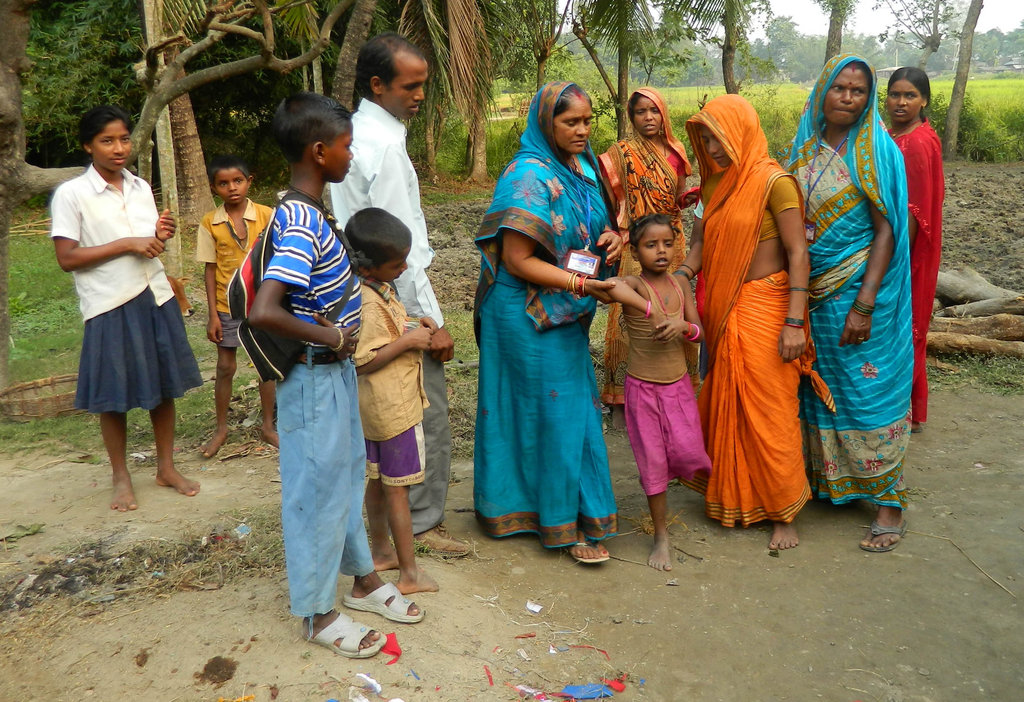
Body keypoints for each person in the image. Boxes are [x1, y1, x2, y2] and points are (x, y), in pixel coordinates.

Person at [248, 92, 423, 659]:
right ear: (320, 151)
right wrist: (332, 336)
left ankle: (362, 579)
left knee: (346, 480)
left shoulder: (313, 210)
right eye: (346, 146)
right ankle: (318, 612)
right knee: (316, 493)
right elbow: (265, 308)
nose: (352, 155)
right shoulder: (301, 221)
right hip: (316, 377)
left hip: (336, 375)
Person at [473, 81, 625, 564]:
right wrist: (580, 286)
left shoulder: (583, 166)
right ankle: (556, 522)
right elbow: (516, 259)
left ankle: (571, 510)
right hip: (522, 310)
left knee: (570, 408)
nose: (582, 130)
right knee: (547, 411)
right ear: (546, 122)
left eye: (587, 120)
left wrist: (614, 238)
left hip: (566, 303)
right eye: (570, 122)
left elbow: (593, 224)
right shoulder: (525, 175)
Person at [331, 32, 468, 558]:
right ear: (377, 84)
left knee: (379, 424)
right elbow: (401, 253)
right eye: (410, 86)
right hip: (396, 306)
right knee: (421, 416)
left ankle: (390, 529)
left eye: (423, 85)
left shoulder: (354, 136)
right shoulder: (384, 147)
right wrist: (430, 324)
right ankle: (424, 522)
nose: (419, 96)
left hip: (360, 298)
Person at [681, 94, 826, 550]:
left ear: (741, 132)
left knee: (770, 412)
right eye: (705, 139)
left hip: (767, 309)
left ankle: (784, 512)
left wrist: (795, 322)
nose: (714, 147)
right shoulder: (713, 186)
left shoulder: (774, 182)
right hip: (723, 308)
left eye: (719, 137)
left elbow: (798, 252)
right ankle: (736, 496)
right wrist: (682, 275)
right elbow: (700, 245)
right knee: (731, 403)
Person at [787, 55, 913, 553]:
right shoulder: (802, 147)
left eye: (859, 91)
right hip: (811, 290)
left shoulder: (880, 150)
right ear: (823, 90)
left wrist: (864, 303)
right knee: (821, 384)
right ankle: (829, 482)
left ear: (869, 98)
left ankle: (889, 502)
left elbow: (888, 229)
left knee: (867, 389)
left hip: (861, 289)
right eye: (839, 87)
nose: (847, 97)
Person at [50, 105, 203, 512]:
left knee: (164, 387)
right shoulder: (72, 195)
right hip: (109, 302)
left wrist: (157, 236)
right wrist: (128, 244)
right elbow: (67, 257)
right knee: (112, 395)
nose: (119, 148)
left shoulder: (138, 187)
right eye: (107, 141)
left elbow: (146, 243)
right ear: (88, 146)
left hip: (154, 296)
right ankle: (121, 477)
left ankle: (166, 467)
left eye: (123, 139)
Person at [607, 213, 712, 570]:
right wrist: (649, 309)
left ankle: (707, 488)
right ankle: (661, 535)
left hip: (678, 387)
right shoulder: (635, 284)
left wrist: (684, 326)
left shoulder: (680, 285)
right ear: (635, 251)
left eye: (668, 243)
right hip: (643, 390)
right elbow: (613, 289)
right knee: (653, 463)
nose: (661, 251)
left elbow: (700, 331)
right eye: (651, 245)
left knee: (687, 451)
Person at [348, 207, 440, 595]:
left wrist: (408, 327)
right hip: (393, 411)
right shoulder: (368, 303)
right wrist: (409, 341)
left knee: (377, 482)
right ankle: (409, 574)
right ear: (371, 267)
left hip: (374, 412)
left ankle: (381, 551)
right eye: (397, 263)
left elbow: (382, 333)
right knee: (398, 489)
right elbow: (364, 360)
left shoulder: (372, 290)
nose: (404, 268)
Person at [598, 88, 697, 423]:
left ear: (664, 114)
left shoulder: (677, 150)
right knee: (629, 315)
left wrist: (687, 200)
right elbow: (611, 203)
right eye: (641, 112)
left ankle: (678, 384)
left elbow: (678, 195)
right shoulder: (620, 153)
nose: (649, 117)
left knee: (676, 305)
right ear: (632, 116)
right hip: (635, 242)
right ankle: (622, 398)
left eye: (654, 111)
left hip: (672, 241)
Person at [195, 155, 277, 458]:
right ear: (215, 188)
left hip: (263, 303)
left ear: (249, 181)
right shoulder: (210, 222)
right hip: (227, 305)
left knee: (265, 367)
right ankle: (221, 429)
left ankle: (268, 426)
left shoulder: (268, 215)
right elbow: (210, 269)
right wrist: (212, 316)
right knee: (225, 367)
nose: (232, 188)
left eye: (238, 181)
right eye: (224, 183)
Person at [885, 67, 945, 433]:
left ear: (923, 100)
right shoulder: (896, 136)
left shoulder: (918, 142)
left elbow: (915, 210)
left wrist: (895, 259)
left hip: (910, 249)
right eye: (895, 95)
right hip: (897, 244)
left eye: (909, 96)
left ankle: (906, 410)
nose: (901, 102)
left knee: (907, 324)